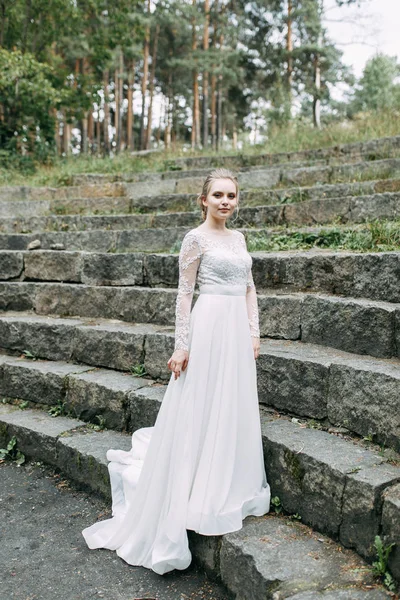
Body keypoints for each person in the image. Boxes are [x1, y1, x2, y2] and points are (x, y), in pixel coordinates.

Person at [81, 168, 271, 575]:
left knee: (231, 402)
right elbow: (184, 295)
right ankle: (192, 481)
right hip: (208, 326)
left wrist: (254, 333)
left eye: (231, 196)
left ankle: (228, 477)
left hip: (236, 329)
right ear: (203, 200)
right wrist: (181, 345)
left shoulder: (239, 239)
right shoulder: (195, 238)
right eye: (217, 195)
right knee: (201, 401)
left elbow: (250, 287)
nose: (225, 201)